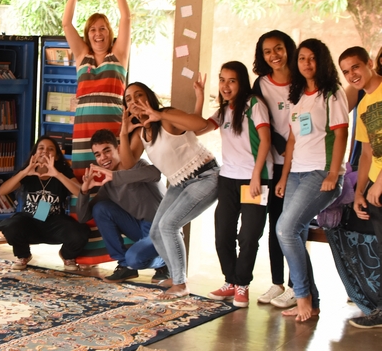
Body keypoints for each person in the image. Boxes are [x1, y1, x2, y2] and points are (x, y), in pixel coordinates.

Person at [119, 81, 219, 300]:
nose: (134, 101)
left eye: (139, 95)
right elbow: (127, 163)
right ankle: (176, 276)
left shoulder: (166, 116)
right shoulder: (141, 132)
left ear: (149, 97)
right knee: (156, 232)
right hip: (178, 183)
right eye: (128, 99)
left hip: (206, 176)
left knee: (169, 225)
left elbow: (199, 124)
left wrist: (159, 114)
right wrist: (123, 132)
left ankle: (180, 283)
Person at [275, 38, 348, 322]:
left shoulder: (332, 93)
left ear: (322, 61)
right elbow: (293, 140)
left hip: (321, 172)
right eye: (302, 58)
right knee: (294, 232)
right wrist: (284, 176)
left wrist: (333, 172)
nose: (307, 63)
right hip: (296, 173)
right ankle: (312, 302)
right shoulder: (297, 96)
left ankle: (302, 295)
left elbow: (341, 134)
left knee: (285, 229)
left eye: (312, 58)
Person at [62, 0, 131, 266]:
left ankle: (119, 253)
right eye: (93, 29)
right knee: (85, 186)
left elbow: (127, 17)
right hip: (82, 136)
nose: (98, 33)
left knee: (112, 187)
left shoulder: (120, 55)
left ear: (109, 32)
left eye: (102, 28)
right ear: (87, 35)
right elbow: (66, 22)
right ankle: (83, 253)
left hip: (111, 133)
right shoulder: (82, 56)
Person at [198, 61, 273, 308]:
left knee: (249, 235)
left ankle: (242, 284)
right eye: (222, 80)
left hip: (254, 179)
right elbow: (199, 129)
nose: (225, 86)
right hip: (228, 179)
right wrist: (200, 97)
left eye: (232, 81)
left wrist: (256, 176)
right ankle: (230, 281)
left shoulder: (254, 105)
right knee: (223, 234)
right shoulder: (223, 111)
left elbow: (265, 141)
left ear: (242, 82)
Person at [76, 129, 167, 283]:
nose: (103, 158)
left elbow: (156, 173)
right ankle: (124, 266)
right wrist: (84, 191)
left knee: (134, 258)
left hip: (162, 229)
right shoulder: (108, 185)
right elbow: (83, 217)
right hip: (140, 228)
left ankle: (165, 262)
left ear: (118, 149)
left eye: (107, 151)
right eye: (98, 154)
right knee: (100, 209)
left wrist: (116, 176)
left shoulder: (137, 165)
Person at [251, 30, 298, 308]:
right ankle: (277, 282)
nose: (274, 55)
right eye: (267, 51)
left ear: (288, 48)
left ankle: (295, 286)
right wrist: (280, 147)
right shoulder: (261, 83)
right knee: (275, 225)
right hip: (275, 165)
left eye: (278, 48)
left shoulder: (303, 79)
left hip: (302, 165)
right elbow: (261, 120)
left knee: (294, 226)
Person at [0, 136, 89, 271]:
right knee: (11, 227)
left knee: (80, 233)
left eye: (50, 149)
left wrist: (57, 174)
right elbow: (2, 191)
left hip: (55, 222)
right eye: (41, 148)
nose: (45, 151)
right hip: (29, 221)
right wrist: (24, 172)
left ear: (56, 157)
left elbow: (80, 192)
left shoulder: (62, 172)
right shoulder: (27, 173)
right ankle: (23, 255)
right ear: (34, 154)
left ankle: (67, 255)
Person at [338, 46, 382, 328]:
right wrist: (359, 192)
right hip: (375, 185)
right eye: (346, 71)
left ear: (369, 63)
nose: (352, 74)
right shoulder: (364, 104)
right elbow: (366, 153)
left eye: (355, 67)